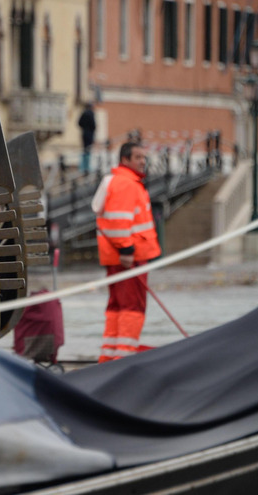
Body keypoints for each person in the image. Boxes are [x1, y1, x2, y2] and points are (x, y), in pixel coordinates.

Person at [93, 141, 161, 363]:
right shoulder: (127, 184)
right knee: (132, 307)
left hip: (121, 256)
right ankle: (123, 358)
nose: (143, 161)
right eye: (138, 157)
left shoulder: (120, 182)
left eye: (144, 157)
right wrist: (127, 249)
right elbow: (118, 221)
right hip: (130, 257)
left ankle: (110, 355)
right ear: (125, 160)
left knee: (117, 306)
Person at [77, 102, 96, 173]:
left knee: (85, 150)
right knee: (88, 150)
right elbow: (93, 125)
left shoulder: (84, 113)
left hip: (84, 133)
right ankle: (86, 167)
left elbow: (79, 123)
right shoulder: (90, 113)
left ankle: (83, 167)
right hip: (89, 134)